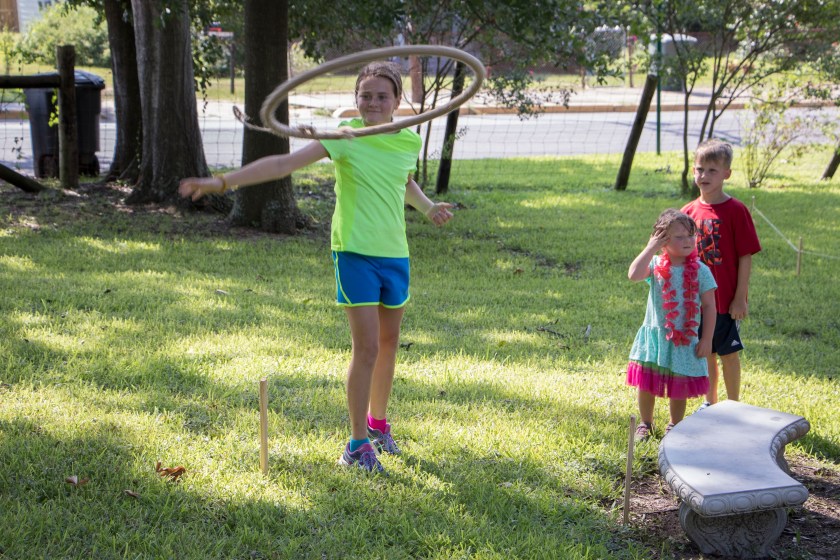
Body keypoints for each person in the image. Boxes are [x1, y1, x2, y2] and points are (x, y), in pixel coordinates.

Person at [179, 61, 454, 473]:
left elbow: (404, 180)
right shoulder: (342, 138)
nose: (373, 102)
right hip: (355, 253)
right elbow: (280, 166)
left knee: (389, 344)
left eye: (382, 96)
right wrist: (222, 182)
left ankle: (379, 425)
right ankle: (357, 445)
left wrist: (428, 207)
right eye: (366, 95)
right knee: (366, 349)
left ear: (398, 100)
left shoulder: (408, 141)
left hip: (395, 254)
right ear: (355, 100)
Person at [681, 139, 761, 410]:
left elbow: (745, 257)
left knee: (728, 353)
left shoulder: (736, 211)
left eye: (712, 171)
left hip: (726, 301)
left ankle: (734, 406)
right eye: (699, 169)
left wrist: (740, 298)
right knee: (707, 352)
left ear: (727, 173)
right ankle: (710, 403)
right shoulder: (688, 212)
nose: (704, 176)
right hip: (698, 303)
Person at [627, 209, 717, 440]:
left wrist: (706, 339)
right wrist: (650, 248)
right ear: (663, 241)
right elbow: (634, 275)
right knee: (647, 382)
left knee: (680, 385)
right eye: (679, 237)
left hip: (684, 339)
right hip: (657, 336)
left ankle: (675, 426)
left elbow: (709, 306)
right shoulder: (656, 264)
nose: (687, 241)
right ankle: (645, 424)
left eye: (691, 235)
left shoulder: (701, 271)